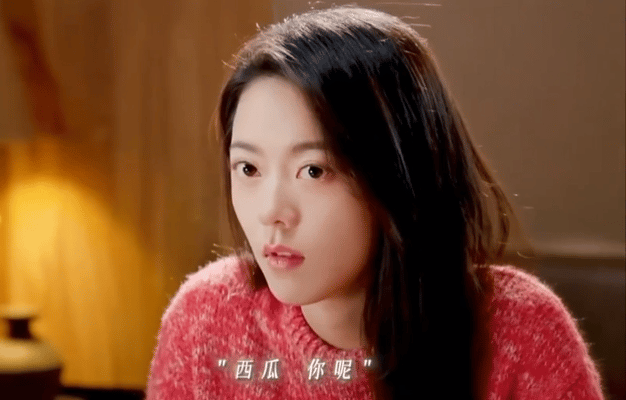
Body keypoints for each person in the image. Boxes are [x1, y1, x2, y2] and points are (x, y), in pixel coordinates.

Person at [146, 6, 604, 399]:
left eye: (314, 170)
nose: (271, 212)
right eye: (248, 169)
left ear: (400, 173)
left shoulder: (519, 332)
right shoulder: (206, 318)